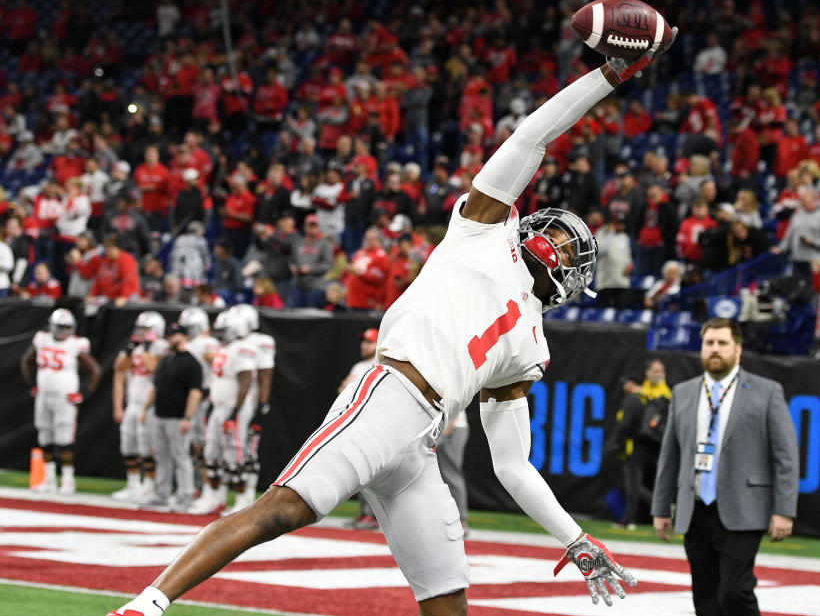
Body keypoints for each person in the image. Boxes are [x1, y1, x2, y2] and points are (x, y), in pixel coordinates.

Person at [108, 37, 682, 616]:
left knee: (448, 600)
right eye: (554, 231)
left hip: (422, 441)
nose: (553, 243)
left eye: (567, 247)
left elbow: (512, 465)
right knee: (286, 509)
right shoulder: (484, 229)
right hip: (388, 395)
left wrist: (575, 539)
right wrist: (607, 76)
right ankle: (144, 606)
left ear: (577, 280)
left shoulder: (532, 344)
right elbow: (531, 135)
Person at [652, 318, 799, 616]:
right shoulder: (683, 392)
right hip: (694, 508)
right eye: (709, 343)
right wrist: (660, 507)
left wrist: (784, 509)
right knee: (705, 598)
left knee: (734, 591)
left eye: (722, 343)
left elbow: (786, 456)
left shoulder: (767, 391)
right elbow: (670, 454)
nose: (715, 349)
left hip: (745, 508)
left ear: (738, 349)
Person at [21, 308, 101, 494]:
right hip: (44, 396)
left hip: (64, 397)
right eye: (61, 326)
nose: (64, 330)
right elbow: (26, 361)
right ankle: (48, 480)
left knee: (65, 439)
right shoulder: (42, 339)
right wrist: (32, 383)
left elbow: (95, 370)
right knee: (45, 437)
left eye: (67, 326)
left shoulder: (76, 344)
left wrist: (83, 393)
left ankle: (67, 480)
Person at [188, 309, 256, 516]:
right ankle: (215, 497)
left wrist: (235, 411)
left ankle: (243, 500)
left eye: (224, 330)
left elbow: (246, 381)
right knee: (211, 454)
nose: (220, 333)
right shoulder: (226, 348)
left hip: (232, 408)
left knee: (234, 454)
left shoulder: (243, 348)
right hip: (218, 407)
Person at [139, 323, 203, 512]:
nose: (170, 339)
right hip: (160, 415)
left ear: (184, 337)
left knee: (181, 457)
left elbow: (195, 392)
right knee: (162, 457)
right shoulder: (166, 360)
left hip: (177, 417)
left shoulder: (192, 363)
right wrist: (145, 408)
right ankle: (161, 495)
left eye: (174, 335)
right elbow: (156, 387)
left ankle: (185, 496)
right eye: (169, 335)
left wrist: (188, 417)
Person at [110, 311, 168, 502]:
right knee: (128, 444)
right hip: (133, 403)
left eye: (145, 329)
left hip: (149, 405)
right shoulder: (136, 348)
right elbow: (119, 369)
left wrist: (146, 349)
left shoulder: (161, 346)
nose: (141, 333)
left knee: (146, 446)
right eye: (140, 329)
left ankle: (148, 486)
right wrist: (130, 349)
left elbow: (154, 368)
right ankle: (133, 484)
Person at [607, 359, 672, 529]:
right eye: (655, 371)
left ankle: (664, 510)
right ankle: (655, 511)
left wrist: (638, 391)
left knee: (637, 484)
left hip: (654, 444)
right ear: (647, 372)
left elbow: (656, 400)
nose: (658, 374)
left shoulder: (663, 391)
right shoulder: (644, 389)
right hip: (643, 442)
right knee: (633, 483)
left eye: (661, 371)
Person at [227, 304, 276, 515]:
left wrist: (262, 405)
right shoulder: (235, 343)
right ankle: (222, 495)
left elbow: (266, 375)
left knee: (247, 450)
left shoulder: (261, 342)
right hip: (231, 399)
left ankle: (247, 496)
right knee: (230, 449)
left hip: (249, 401)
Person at [337, 327, 381, 529]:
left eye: (369, 342)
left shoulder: (380, 364)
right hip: (360, 423)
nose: (364, 345)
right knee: (363, 470)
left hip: (376, 423)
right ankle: (365, 513)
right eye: (364, 341)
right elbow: (342, 389)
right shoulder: (358, 366)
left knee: (375, 472)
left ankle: (374, 516)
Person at [179, 307, 220, 497]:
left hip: (205, 397)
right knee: (192, 445)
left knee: (202, 445)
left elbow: (217, 362)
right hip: (191, 397)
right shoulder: (190, 342)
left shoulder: (207, 342)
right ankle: (195, 485)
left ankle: (206, 487)